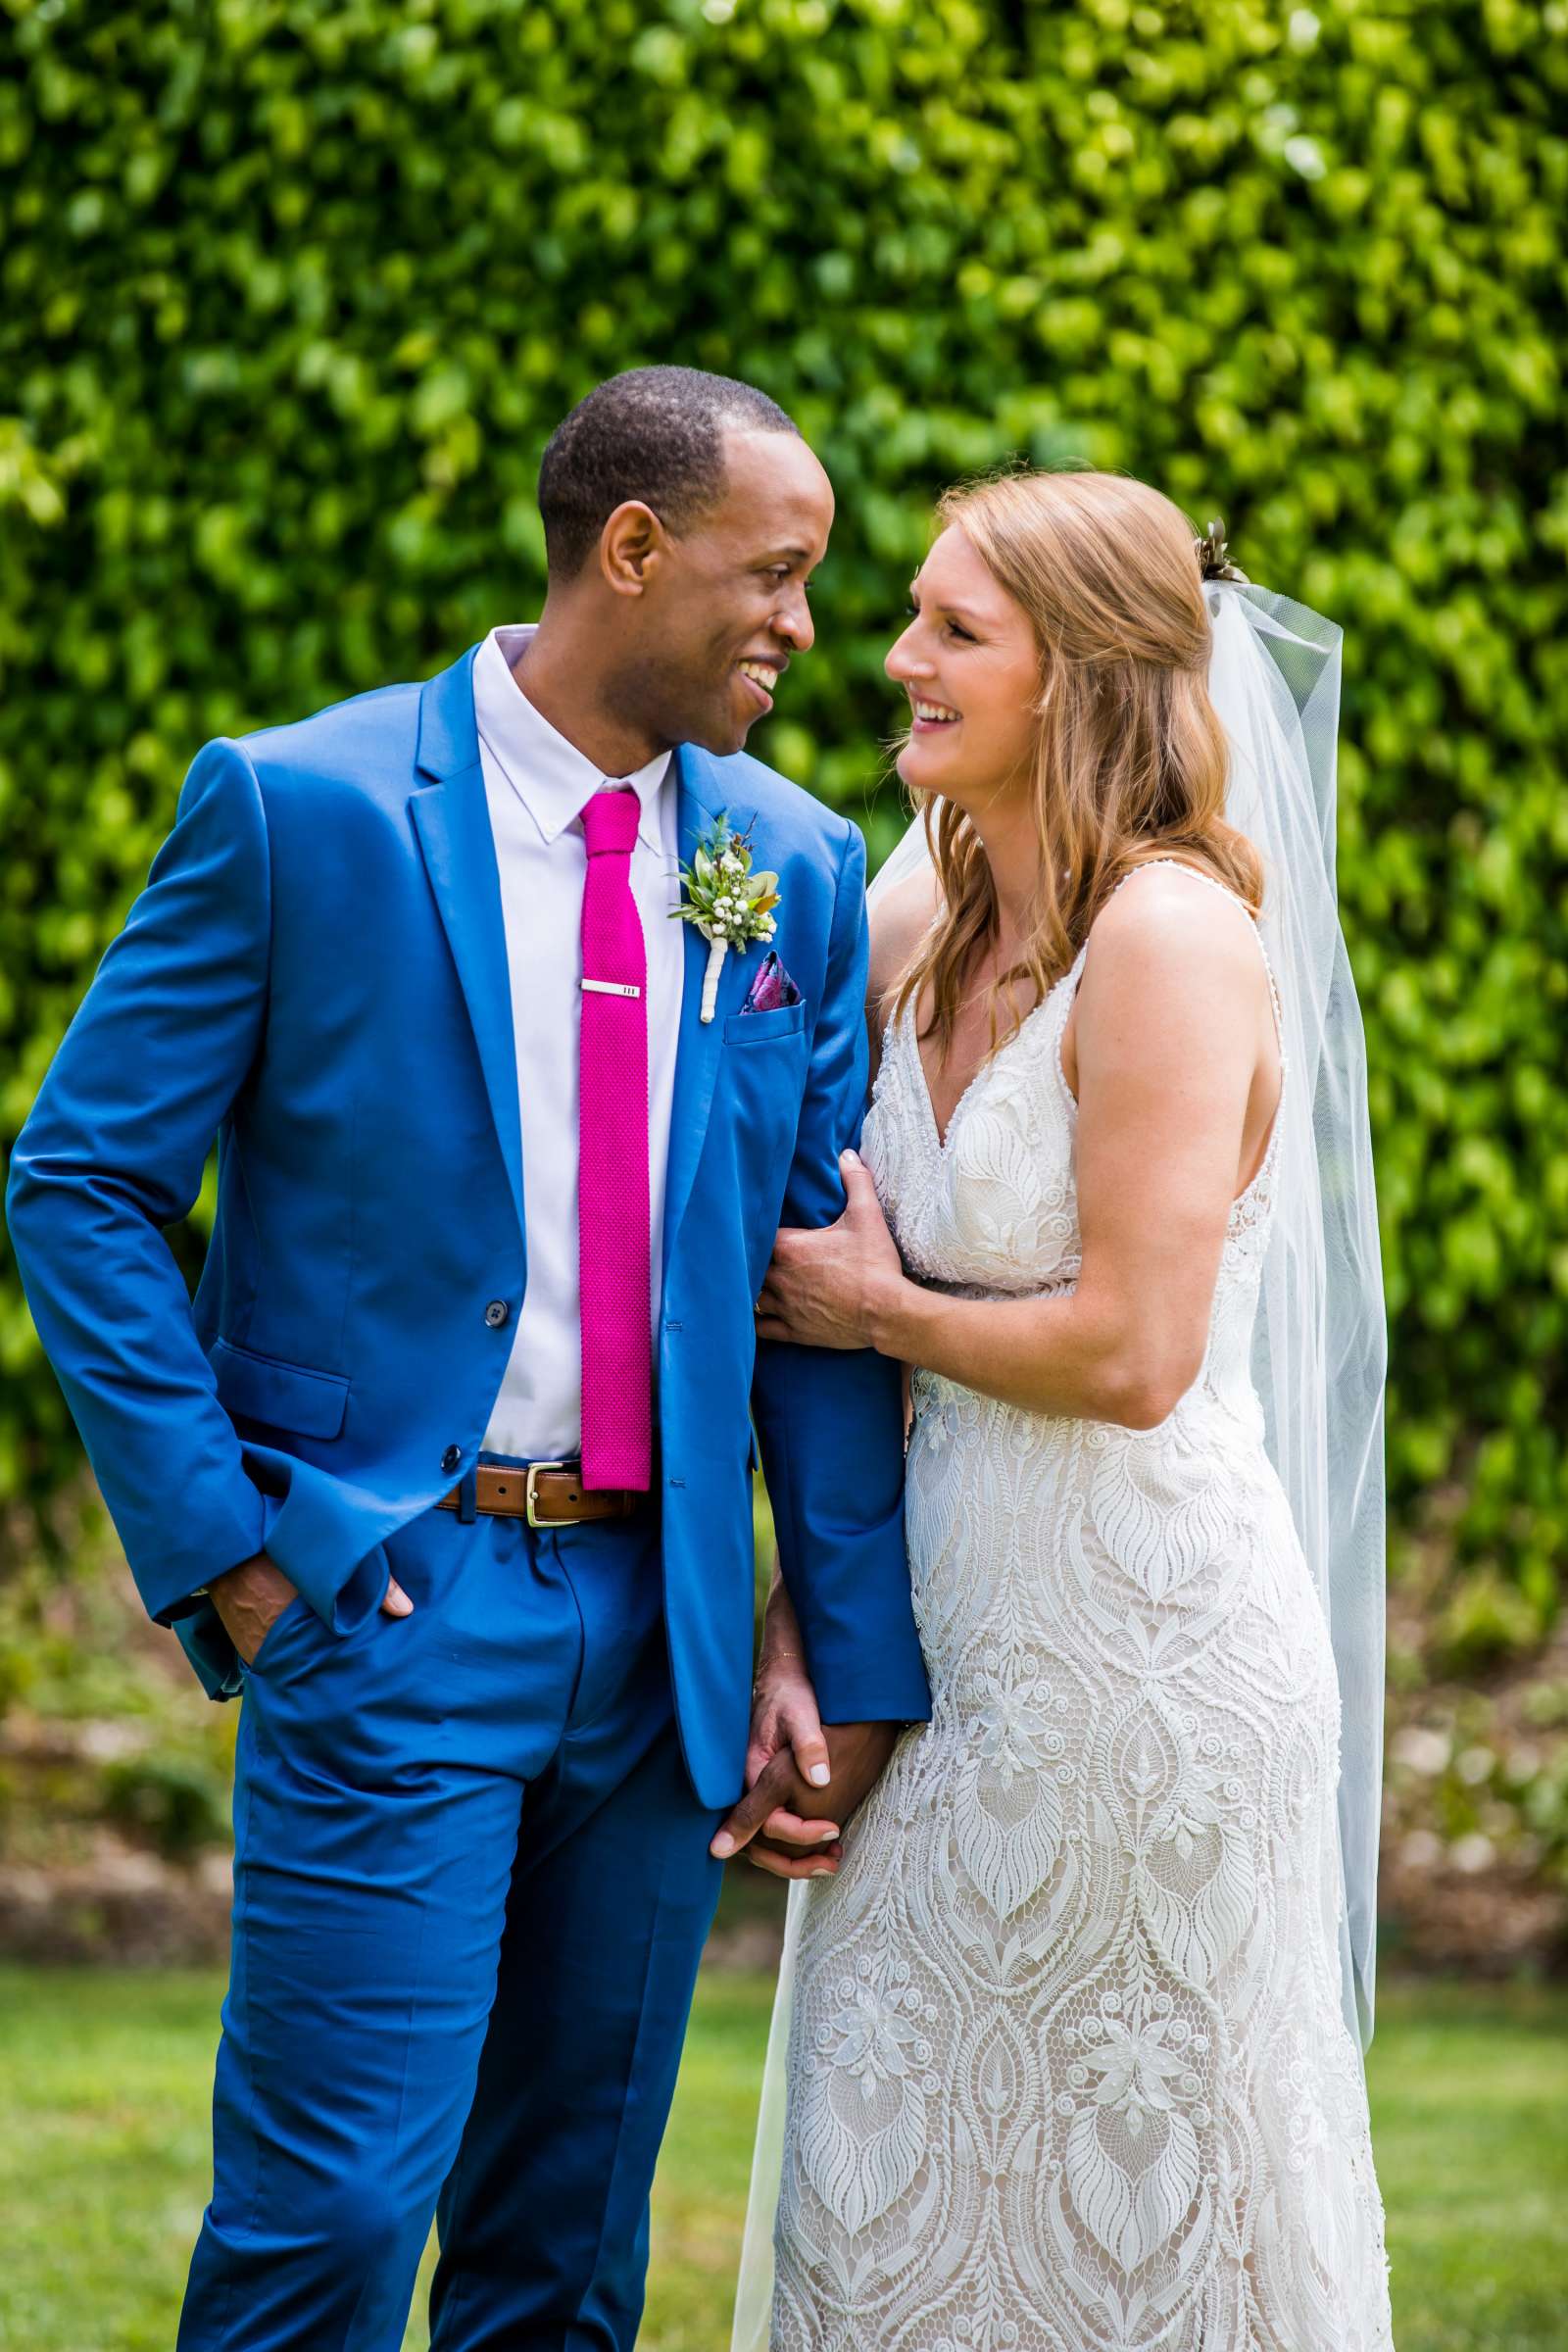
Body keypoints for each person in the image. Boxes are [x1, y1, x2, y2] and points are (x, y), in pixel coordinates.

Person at [5, 365, 929, 2352]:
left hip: (658, 1636)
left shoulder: (791, 865)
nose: (800, 627)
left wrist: (828, 1649)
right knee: (329, 2227)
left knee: (565, 2260)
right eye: (773, 578)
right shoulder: (300, 806)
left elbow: (812, 1287)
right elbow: (78, 1181)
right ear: (631, 548)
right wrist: (232, 1548)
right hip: (385, 1598)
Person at [719, 471, 1394, 2351]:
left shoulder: (1171, 939)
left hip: (1146, 1663)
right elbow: (787, 1210)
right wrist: (809, 1608)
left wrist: (879, 1305)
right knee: (895, 2189)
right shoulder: (916, 900)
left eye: (953, 629)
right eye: (915, 613)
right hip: (936, 1640)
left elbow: (1134, 1350)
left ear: (1083, 674)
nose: (897, 656)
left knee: (1141, 2219)